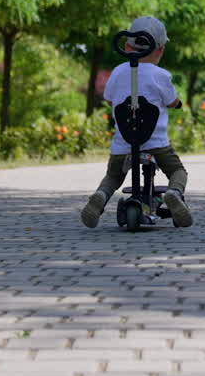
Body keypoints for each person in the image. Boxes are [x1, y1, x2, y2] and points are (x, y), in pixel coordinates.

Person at [80, 16, 193, 228]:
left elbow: (110, 98)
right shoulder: (161, 75)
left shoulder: (118, 72)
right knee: (178, 171)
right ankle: (173, 193)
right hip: (156, 145)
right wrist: (177, 104)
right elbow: (172, 101)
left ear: (126, 45)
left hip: (123, 144)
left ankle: (100, 196)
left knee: (113, 176)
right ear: (160, 50)